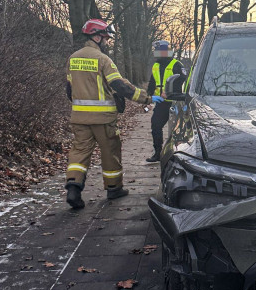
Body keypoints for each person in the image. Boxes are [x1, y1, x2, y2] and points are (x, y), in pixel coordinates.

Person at [65, 19, 164, 210]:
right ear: (96, 36)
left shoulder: (73, 58)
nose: (107, 42)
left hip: (79, 117)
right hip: (103, 118)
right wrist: (147, 98)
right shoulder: (103, 60)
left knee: (79, 152)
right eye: (105, 38)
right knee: (110, 151)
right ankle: (113, 188)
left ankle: (73, 188)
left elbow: (69, 89)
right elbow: (120, 86)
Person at [146, 40, 183, 163]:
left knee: (177, 130)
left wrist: (170, 91)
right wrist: (148, 97)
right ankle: (158, 153)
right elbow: (152, 82)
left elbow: (183, 81)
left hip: (175, 102)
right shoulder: (156, 65)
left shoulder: (176, 64)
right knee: (155, 125)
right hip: (161, 103)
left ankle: (177, 154)